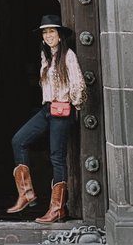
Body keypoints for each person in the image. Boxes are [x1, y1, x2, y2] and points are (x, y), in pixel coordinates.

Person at [6, 13, 86, 224]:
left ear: (59, 34)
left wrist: (72, 105)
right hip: (47, 110)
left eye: (51, 31)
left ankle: (57, 209)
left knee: (56, 158)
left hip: (62, 111)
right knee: (19, 140)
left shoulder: (67, 55)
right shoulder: (46, 56)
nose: (48, 35)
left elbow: (78, 84)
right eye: (45, 32)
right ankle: (26, 193)